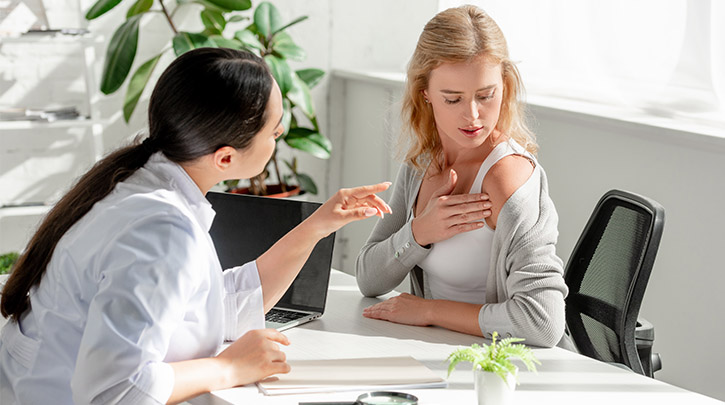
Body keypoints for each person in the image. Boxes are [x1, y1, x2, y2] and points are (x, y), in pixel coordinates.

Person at [0, 47, 391, 405]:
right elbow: (116, 391)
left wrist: (317, 226)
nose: (281, 136)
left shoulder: (140, 183)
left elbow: (214, 306)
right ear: (224, 159)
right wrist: (228, 368)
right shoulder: (160, 229)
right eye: (274, 132)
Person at [355, 5, 568, 348]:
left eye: (486, 96)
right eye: (452, 99)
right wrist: (421, 231)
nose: (473, 116)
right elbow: (369, 278)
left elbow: (542, 323)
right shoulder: (422, 163)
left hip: (500, 366)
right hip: (432, 352)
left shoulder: (506, 177)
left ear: (505, 85)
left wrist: (429, 311)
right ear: (425, 93)